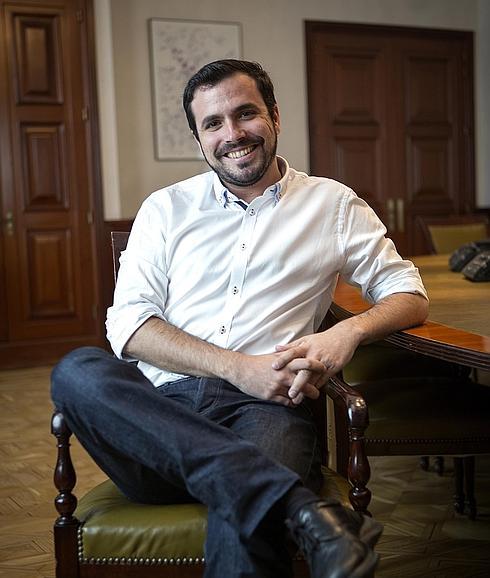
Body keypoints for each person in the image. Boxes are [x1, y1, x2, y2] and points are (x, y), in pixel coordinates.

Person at [51, 59, 428, 578]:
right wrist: (236, 367)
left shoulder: (333, 204)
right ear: (198, 138)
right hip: (159, 419)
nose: (233, 134)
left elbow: (409, 293)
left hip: (268, 411)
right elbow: (129, 326)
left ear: (274, 115)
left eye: (246, 113)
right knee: (77, 370)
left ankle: (272, 499)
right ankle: (299, 508)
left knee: (242, 511)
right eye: (213, 124)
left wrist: (349, 331)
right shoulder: (165, 209)